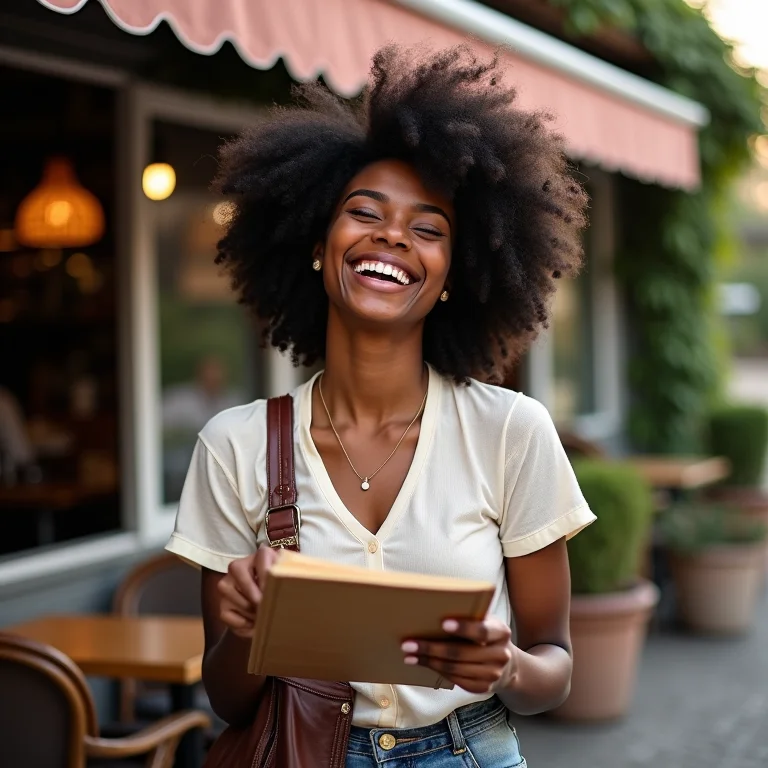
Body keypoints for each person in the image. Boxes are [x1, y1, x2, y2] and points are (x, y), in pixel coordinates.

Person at [166, 44, 595, 766]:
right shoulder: (232, 445)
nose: (393, 235)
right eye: (364, 212)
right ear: (317, 244)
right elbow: (229, 699)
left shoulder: (510, 432)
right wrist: (245, 628)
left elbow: (554, 666)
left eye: (428, 228)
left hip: (470, 749)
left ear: (453, 276)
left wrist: (509, 667)